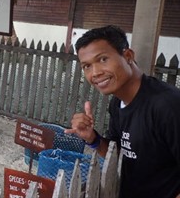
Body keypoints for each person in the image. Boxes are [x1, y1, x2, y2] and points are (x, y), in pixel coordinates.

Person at [64, 25, 180, 198]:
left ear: (128, 56)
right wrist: (92, 139)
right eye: (86, 66)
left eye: (103, 59)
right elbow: (118, 155)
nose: (95, 73)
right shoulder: (117, 104)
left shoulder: (167, 105)